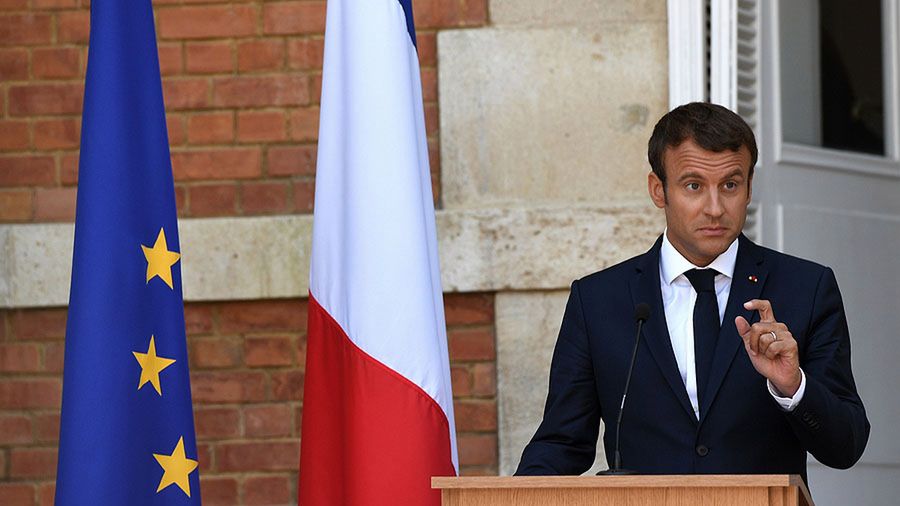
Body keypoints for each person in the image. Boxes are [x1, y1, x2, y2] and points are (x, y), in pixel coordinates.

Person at [515, 102, 869, 483]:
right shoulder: (598, 300)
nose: (715, 208)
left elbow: (845, 446)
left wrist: (793, 385)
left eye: (730, 185)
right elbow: (560, 445)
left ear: (749, 188)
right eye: (694, 186)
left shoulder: (806, 288)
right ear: (658, 190)